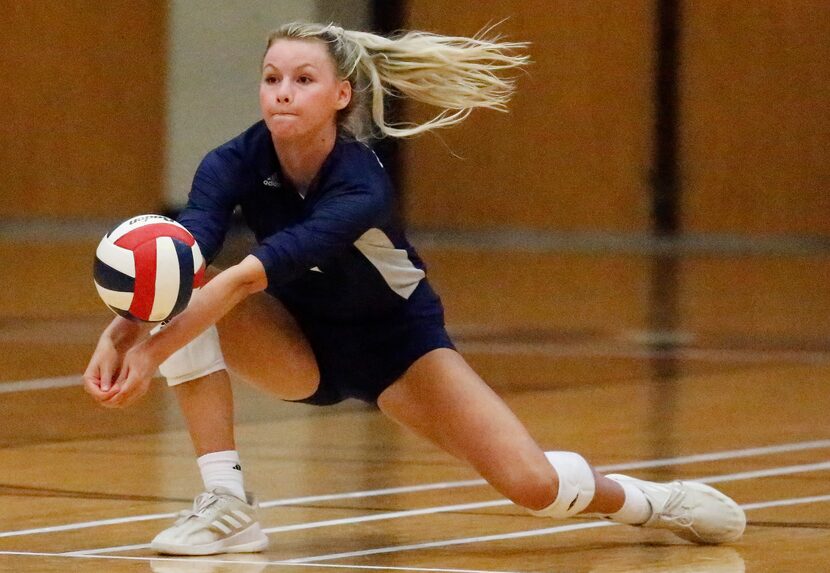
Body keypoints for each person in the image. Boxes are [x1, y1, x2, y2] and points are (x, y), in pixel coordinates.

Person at [83, 22, 745, 556]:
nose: (282, 92)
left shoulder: (359, 184)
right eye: (272, 78)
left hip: (398, 345)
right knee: (185, 269)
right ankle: (227, 503)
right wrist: (124, 327)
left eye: (303, 80)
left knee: (532, 483)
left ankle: (653, 502)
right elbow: (181, 254)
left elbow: (248, 276)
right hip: (298, 345)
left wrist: (147, 349)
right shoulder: (233, 160)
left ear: (340, 96)